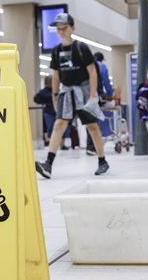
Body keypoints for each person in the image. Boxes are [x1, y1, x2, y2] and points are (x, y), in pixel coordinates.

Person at [35, 13, 109, 178]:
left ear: (72, 28)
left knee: (92, 127)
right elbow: (55, 75)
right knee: (58, 124)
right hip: (66, 92)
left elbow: (92, 71)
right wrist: (55, 96)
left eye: (64, 28)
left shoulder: (81, 48)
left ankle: (102, 161)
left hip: (83, 92)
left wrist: (92, 94)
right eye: (58, 28)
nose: (61, 31)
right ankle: (48, 164)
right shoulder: (56, 51)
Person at [86, 52, 115, 155]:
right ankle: (92, 147)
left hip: (85, 94)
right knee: (93, 121)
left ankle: (90, 146)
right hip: (96, 94)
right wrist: (110, 95)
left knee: (88, 120)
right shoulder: (102, 66)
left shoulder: (86, 64)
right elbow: (106, 82)